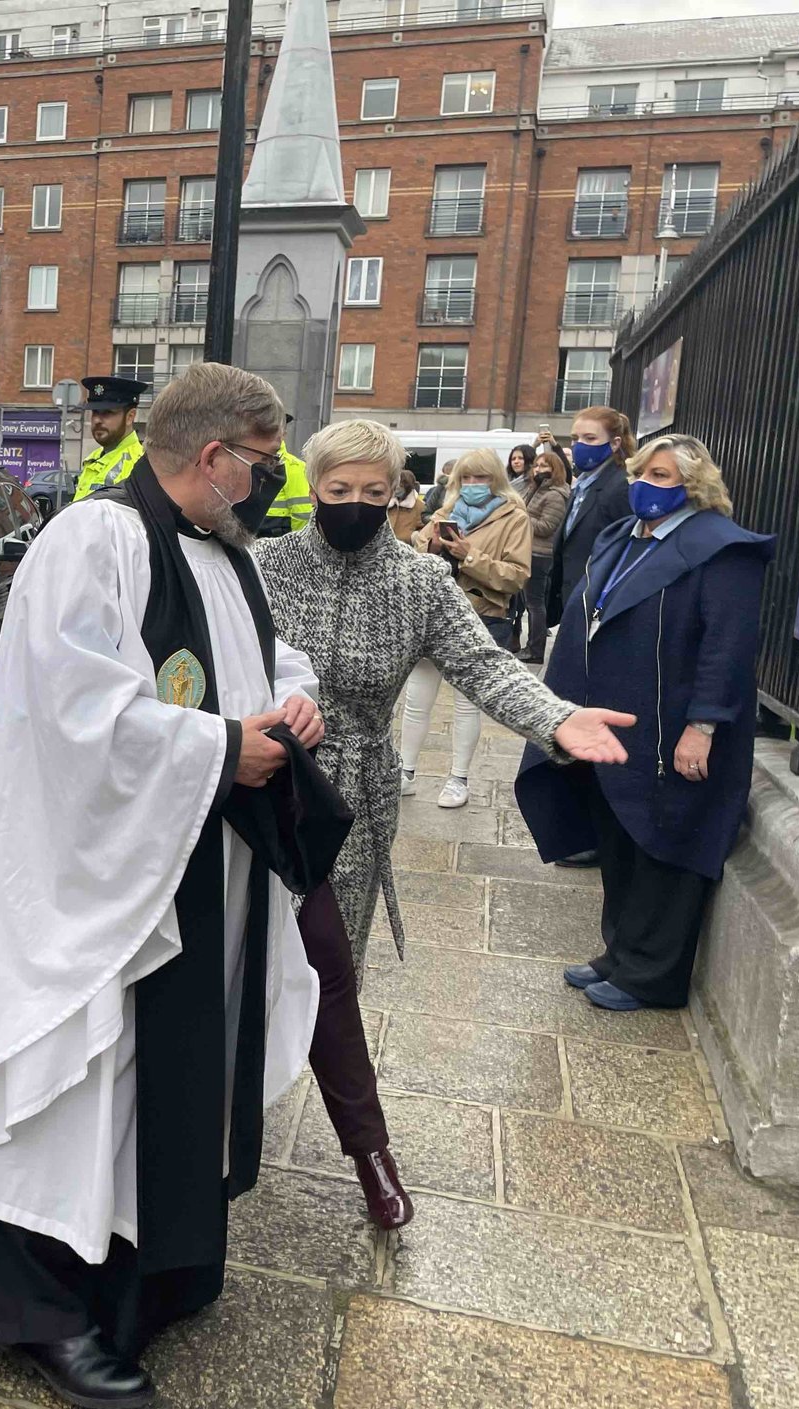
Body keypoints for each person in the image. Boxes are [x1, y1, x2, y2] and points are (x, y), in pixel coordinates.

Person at [0, 363, 351, 1409]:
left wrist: (293, 705)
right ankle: (42, 1305)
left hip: (186, 859)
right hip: (92, 881)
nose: (271, 484)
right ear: (211, 456)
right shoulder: (96, 540)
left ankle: (144, 1263)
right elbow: (72, 707)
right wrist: (222, 744)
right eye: (260, 465)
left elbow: (266, 659)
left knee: (154, 1080)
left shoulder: (226, 554)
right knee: (74, 1079)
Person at [256, 420, 630, 1215]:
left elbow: (484, 663)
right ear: (315, 488)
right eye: (338, 491)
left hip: (352, 800)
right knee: (240, 953)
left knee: (330, 974)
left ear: (398, 492)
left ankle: (368, 1149)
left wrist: (554, 719)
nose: (356, 504)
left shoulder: (421, 582)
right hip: (260, 787)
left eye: (373, 491)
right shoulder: (264, 566)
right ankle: (226, 1117)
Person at [518, 435, 773, 1012]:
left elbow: (727, 647)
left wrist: (703, 726)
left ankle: (652, 975)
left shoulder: (723, 549)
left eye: (663, 477)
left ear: (694, 487)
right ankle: (620, 953)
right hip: (623, 724)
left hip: (677, 730)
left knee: (664, 845)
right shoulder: (622, 536)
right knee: (621, 838)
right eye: (643, 473)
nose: (647, 485)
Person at [399, 450, 535, 808]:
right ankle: (406, 771)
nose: (474, 486)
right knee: (417, 698)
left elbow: (516, 576)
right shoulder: (446, 511)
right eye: (467, 479)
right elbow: (416, 549)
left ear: (496, 480)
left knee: (466, 704)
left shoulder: (514, 517)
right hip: (433, 615)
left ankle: (458, 778)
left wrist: (469, 555)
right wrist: (430, 545)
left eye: (482, 478)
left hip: (482, 616)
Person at [546, 405, 635, 625]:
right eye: (575, 438)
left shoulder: (621, 486)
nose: (580, 445)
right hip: (573, 598)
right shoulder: (583, 484)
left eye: (590, 438)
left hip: (599, 603)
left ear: (615, 443)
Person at [518, 445, 572, 662]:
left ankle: (535, 649)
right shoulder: (537, 488)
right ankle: (530, 645)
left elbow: (547, 526)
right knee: (530, 603)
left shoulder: (555, 495)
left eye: (544, 465)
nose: (538, 469)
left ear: (555, 468)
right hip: (528, 550)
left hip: (540, 554)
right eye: (537, 465)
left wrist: (520, 518)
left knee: (534, 604)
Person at [72, 375, 147, 501]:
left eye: (107, 413)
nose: (97, 420)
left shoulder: (139, 465)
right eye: (95, 412)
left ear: (130, 416)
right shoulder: (93, 458)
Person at [386, 468, 425, 544]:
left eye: (401, 485)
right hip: (385, 545)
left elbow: (424, 528)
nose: (397, 488)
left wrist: (413, 537)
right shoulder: (388, 503)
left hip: (406, 547)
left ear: (408, 486)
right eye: (396, 485)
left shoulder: (419, 505)